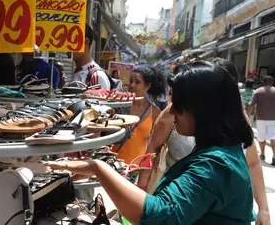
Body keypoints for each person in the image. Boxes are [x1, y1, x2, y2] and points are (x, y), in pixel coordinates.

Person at [46, 62, 256, 224]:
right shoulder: (223, 152)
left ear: (203, 109)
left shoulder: (215, 165)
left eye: (179, 105)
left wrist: (97, 168)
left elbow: (159, 216)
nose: (172, 111)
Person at [145, 58, 270, 225]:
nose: (174, 109)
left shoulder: (216, 160)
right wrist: (141, 192)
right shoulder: (177, 113)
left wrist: (264, 208)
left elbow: (253, 163)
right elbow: (151, 150)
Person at [112, 66, 166, 163]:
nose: (132, 85)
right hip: (112, 162)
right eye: (131, 81)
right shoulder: (120, 105)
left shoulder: (155, 112)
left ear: (147, 86)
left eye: (137, 82)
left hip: (135, 168)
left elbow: (155, 145)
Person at [72, 25, 111, 90]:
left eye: (72, 41)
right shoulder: (78, 72)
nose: (67, 46)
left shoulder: (97, 76)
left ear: (86, 42)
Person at [249, 75, 275, 165]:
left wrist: (248, 116)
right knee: (273, 137)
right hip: (273, 119)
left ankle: (263, 154)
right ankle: (274, 155)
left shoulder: (258, 91)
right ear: (272, 82)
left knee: (261, 137)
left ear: (263, 82)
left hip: (261, 119)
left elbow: (252, 105)